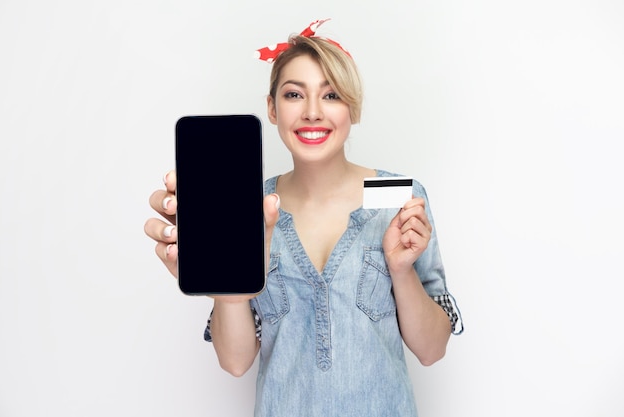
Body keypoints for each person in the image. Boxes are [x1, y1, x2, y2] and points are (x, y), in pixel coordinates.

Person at [144, 18, 463, 417]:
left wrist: (400, 270)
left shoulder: (401, 198)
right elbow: (236, 361)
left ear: (353, 107)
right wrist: (226, 287)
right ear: (272, 108)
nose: (313, 112)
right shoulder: (247, 206)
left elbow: (432, 351)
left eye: (331, 96)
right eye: (295, 94)